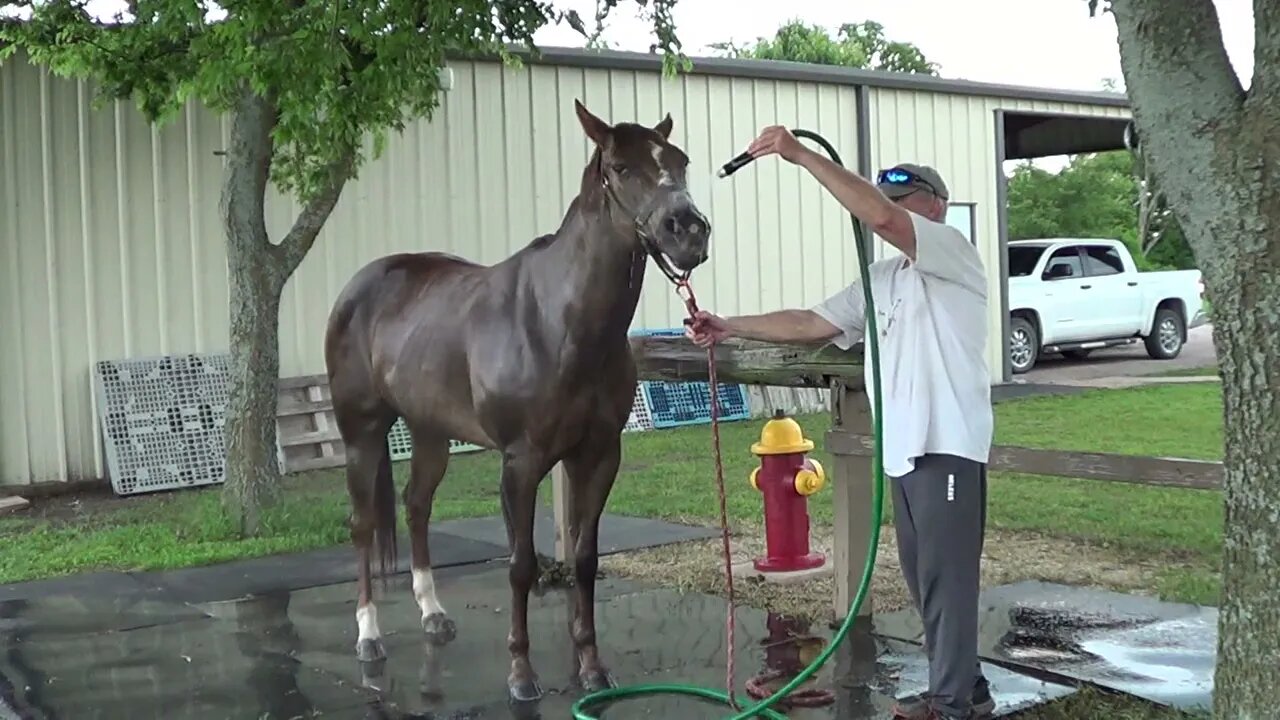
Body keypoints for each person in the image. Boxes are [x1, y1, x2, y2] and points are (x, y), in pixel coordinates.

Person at [686, 126, 995, 720]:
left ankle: (951, 704)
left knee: (947, 578)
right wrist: (731, 325)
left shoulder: (953, 251)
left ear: (936, 206)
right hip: (903, 450)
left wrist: (798, 154)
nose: (893, 208)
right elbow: (811, 320)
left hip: (948, 443)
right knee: (925, 577)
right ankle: (969, 686)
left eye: (907, 200)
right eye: (889, 198)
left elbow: (879, 218)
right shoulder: (881, 282)